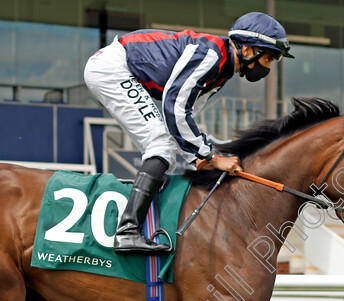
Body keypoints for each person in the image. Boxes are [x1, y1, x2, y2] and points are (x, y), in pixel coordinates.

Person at [84, 12, 293, 254]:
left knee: (167, 151)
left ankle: (148, 223)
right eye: (268, 59)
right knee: (160, 145)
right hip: (112, 68)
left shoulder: (221, 71)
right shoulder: (211, 56)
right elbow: (175, 108)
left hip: (119, 68)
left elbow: (186, 124)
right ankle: (127, 231)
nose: (268, 67)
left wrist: (204, 157)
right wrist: (212, 157)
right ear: (247, 51)